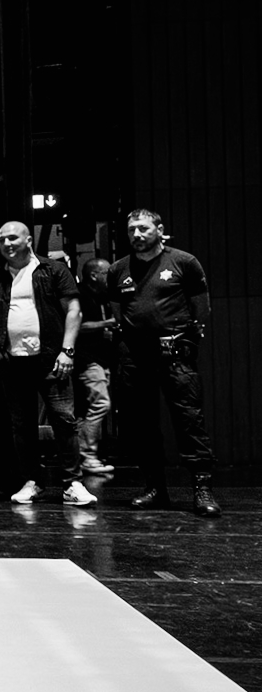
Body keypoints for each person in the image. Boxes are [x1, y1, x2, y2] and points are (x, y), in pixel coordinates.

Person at [0, 222, 95, 506]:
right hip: (12, 362)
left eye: (12, 237)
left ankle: (73, 483)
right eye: (2, 239)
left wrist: (67, 351)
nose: (6, 243)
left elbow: (74, 310)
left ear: (29, 240)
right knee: (22, 425)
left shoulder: (53, 271)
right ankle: (31, 481)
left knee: (64, 421)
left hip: (52, 360)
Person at [107, 210, 219, 517]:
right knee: (142, 423)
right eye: (131, 230)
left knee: (189, 420)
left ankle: (202, 488)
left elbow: (202, 307)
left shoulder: (183, 262)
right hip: (135, 357)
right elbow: (118, 312)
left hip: (175, 354)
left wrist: (186, 334)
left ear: (159, 229)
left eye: (143, 228)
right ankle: (155, 488)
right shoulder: (118, 269)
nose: (136, 235)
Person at [74, 258, 117, 475]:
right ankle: (87, 456)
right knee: (101, 403)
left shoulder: (102, 296)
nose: (112, 277)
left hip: (100, 359)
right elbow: (77, 326)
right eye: (107, 273)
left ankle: (84, 458)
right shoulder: (80, 295)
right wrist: (108, 323)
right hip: (86, 359)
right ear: (94, 275)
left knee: (85, 408)